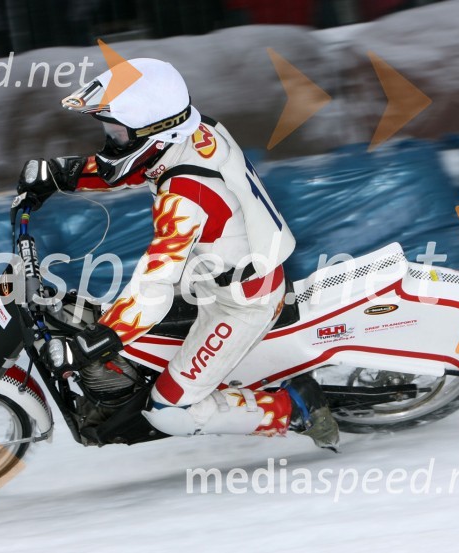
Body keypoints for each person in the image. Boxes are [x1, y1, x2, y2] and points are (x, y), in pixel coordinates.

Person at [18, 58, 338, 449]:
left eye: (117, 133)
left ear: (155, 131)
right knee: (117, 322)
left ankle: (297, 409)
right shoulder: (198, 130)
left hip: (239, 301)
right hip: (218, 268)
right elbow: (141, 164)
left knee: (167, 410)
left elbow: (154, 286)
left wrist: (92, 345)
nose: (110, 141)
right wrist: (62, 174)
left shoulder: (185, 197)